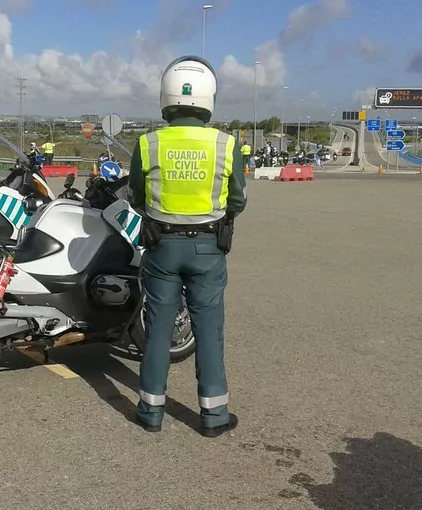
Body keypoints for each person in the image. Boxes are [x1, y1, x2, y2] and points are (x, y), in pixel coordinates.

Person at [127, 55, 247, 437]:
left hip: (161, 247)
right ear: (209, 97)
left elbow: (135, 197)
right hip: (209, 248)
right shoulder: (226, 145)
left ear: (166, 96)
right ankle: (213, 417)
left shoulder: (148, 143)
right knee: (208, 330)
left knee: (158, 329)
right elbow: (238, 200)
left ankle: (150, 412)